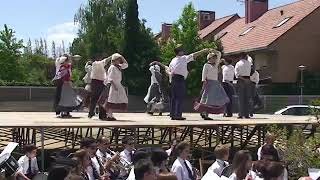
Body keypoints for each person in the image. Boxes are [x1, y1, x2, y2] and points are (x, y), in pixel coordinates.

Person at [169, 45, 212, 120]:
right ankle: (178, 115)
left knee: (174, 97)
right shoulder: (183, 58)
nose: (183, 51)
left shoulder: (173, 60)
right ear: (179, 52)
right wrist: (204, 50)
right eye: (182, 50)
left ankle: (173, 114)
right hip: (179, 79)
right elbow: (194, 54)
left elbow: (170, 69)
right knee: (179, 97)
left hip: (173, 79)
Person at [197, 51, 229, 120]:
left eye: (215, 58)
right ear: (210, 58)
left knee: (213, 100)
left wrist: (214, 51)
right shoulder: (206, 65)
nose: (215, 59)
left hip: (215, 83)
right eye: (213, 58)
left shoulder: (215, 65)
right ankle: (205, 113)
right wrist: (204, 81)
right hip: (209, 83)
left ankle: (206, 113)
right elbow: (204, 74)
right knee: (207, 99)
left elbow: (219, 54)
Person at [102, 53, 128, 121]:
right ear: (114, 60)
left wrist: (121, 56)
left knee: (116, 99)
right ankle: (109, 115)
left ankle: (110, 115)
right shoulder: (112, 67)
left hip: (118, 84)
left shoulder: (118, 66)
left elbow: (126, 65)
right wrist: (114, 86)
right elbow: (110, 78)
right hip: (114, 85)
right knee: (111, 100)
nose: (119, 61)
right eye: (118, 59)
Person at [88, 55, 112, 120]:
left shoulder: (96, 65)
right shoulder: (97, 63)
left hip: (95, 82)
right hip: (98, 82)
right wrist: (111, 56)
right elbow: (105, 60)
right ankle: (101, 115)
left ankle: (91, 113)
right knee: (101, 98)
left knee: (95, 98)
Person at [235, 53, 253, 119]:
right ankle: (246, 114)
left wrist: (244, 79)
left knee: (241, 98)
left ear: (240, 57)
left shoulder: (238, 63)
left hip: (241, 80)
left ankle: (240, 114)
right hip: (248, 80)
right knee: (247, 98)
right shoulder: (249, 63)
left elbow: (237, 74)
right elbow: (251, 71)